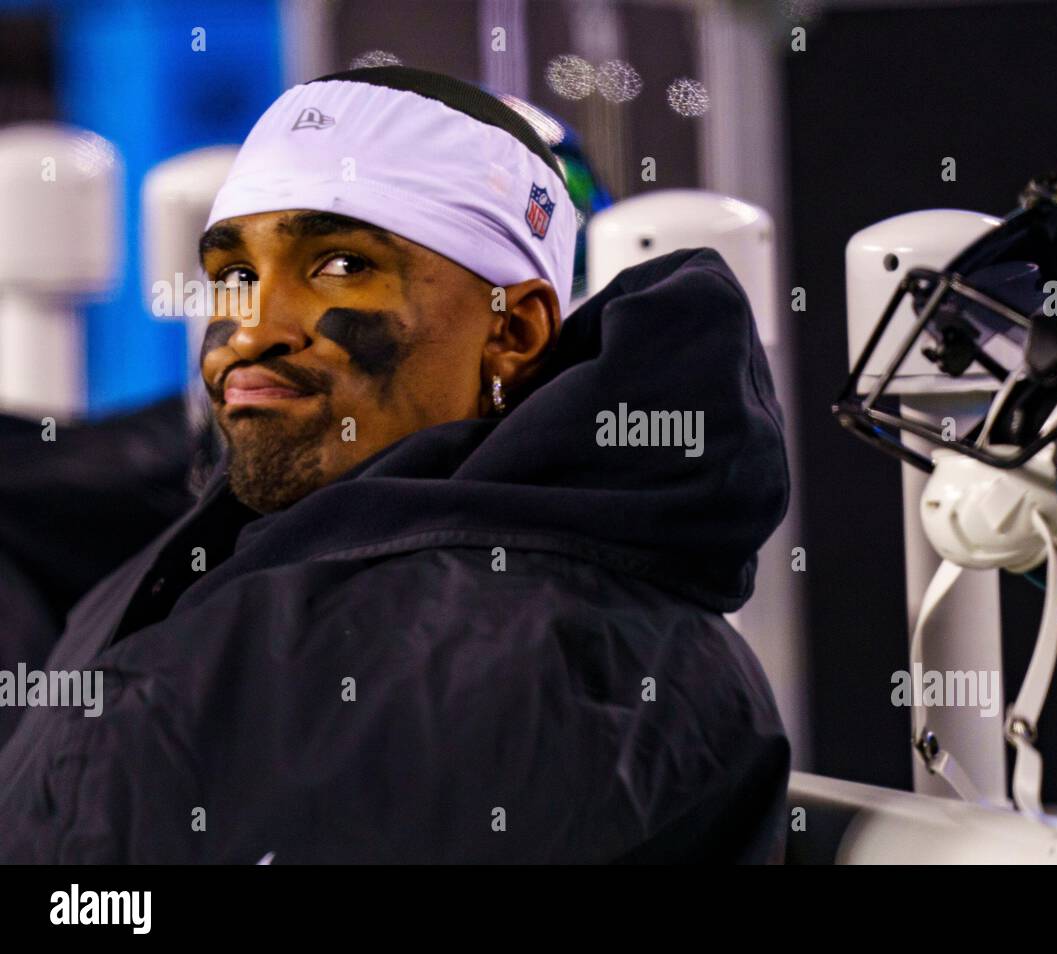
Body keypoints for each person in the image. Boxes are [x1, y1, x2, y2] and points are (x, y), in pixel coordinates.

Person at [0, 66, 791, 863]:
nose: (249, 329)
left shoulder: (546, 656)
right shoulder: (209, 574)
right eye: (234, 277)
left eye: (340, 266)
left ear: (513, 333)